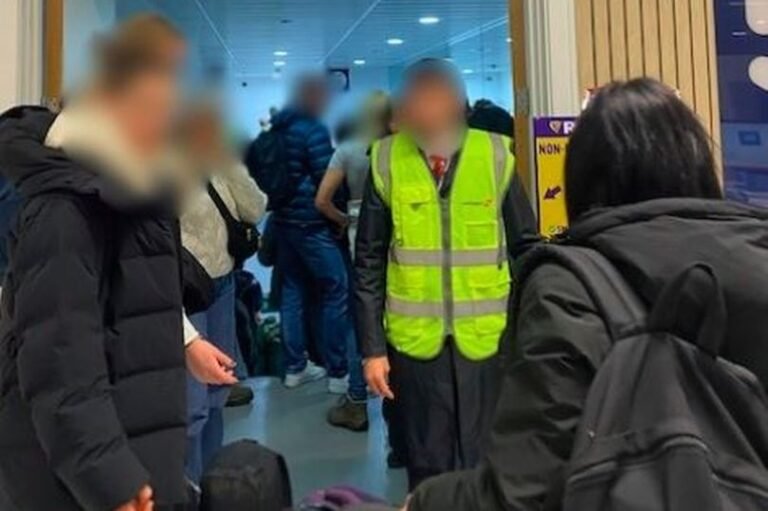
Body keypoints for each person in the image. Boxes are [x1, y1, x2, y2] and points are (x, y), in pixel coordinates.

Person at [405, 78, 768, 510]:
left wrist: (424, 501)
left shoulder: (571, 288)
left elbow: (522, 492)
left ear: (582, 177)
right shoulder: (757, 258)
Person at [0, 15, 235, 511]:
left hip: (129, 438)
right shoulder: (65, 210)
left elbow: (131, 292)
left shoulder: (130, 188)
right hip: (76, 474)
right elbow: (60, 358)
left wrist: (186, 341)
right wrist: (110, 477)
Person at [356, 59, 539, 491]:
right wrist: (372, 350)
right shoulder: (386, 160)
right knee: (428, 462)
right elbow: (368, 261)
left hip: (488, 342)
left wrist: (532, 332)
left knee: (487, 458)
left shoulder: (495, 156)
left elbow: (527, 250)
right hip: (415, 345)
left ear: (459, 105)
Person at [177, 102, 267, 485]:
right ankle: (190, 491)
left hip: (222, 285)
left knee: (217, 395)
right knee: (193, 406)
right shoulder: (159, 165)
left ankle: (210, 486)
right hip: (184, 290)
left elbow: (255, 208)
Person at [270, 75, 354, 393]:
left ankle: (295, 368)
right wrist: (340, 215)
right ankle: (338, 373)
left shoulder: (278, 129)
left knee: (292, 292)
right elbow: (325, 179)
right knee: (337, 288)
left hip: (284, 223)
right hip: (312, 223)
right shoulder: (313, 130)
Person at [316, 91, 393, 432]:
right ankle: (397, 403)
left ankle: (357, 399)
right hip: (399, 233)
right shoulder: (401, 150)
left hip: (359, 233)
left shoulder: (348, 150)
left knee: (358, 314)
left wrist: (343, 219)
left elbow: (322, 200)